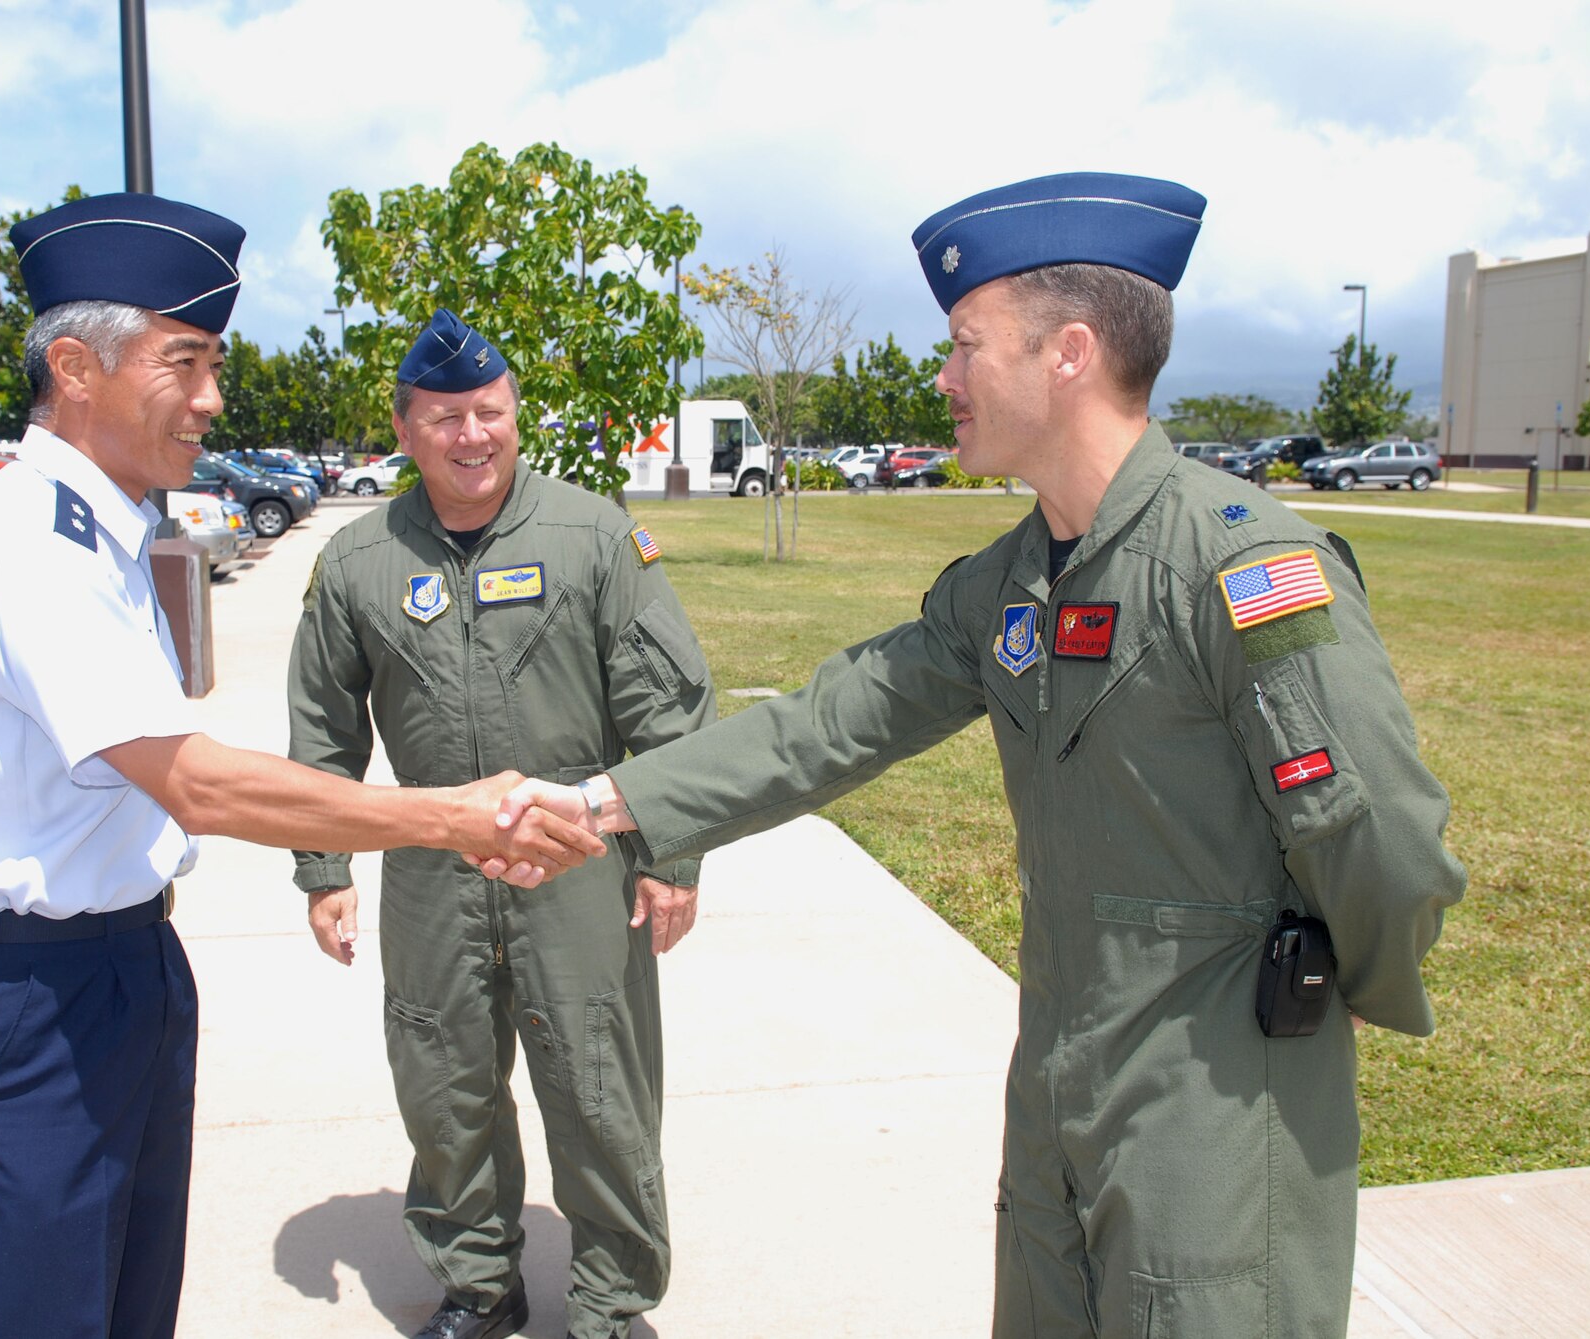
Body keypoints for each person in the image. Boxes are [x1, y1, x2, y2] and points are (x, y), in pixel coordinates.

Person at [495, 173, 1467, 1337]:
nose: (942, 380)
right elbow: (828, 722)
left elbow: (1381, 837)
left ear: (1065, 354)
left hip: (1217, 1092)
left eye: (963, 347)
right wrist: (609, 798)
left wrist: (1357, 984)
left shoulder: (1240, 569)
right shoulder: (1008, 582)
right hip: (1057, 1072)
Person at [0, 196, 602, 1339]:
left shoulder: (105, 536)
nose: (214, 399)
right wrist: (450, 818)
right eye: (187, 362)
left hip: (117, 970)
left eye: (213, 362)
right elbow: (197, 781)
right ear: (74, 367)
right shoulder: (28, 547)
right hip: (26, 1003)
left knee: (123, 1307)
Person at [287, 309, 716, 1339]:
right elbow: (321, 724)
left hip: (581, 862)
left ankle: (611, 1303)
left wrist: (672, 852)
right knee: (444, 1086)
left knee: (599, 1086)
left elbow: (666, 707)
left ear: (515, 412)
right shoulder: (357, 562)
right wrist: (323, 866)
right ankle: (477, 1287)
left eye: (488, 411)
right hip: (434, 866)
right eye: (444, 417)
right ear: (402, 429)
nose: (470, 435)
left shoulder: (594, 535)